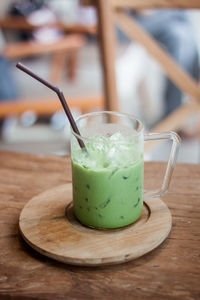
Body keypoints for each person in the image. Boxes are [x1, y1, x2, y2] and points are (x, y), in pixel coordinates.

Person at [130, 9, 200, 118]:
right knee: (180, 15)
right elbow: (144, 12)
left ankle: (173, 119)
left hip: (151, 19)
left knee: (180, 34)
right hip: (112, 20)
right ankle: (174, 116)